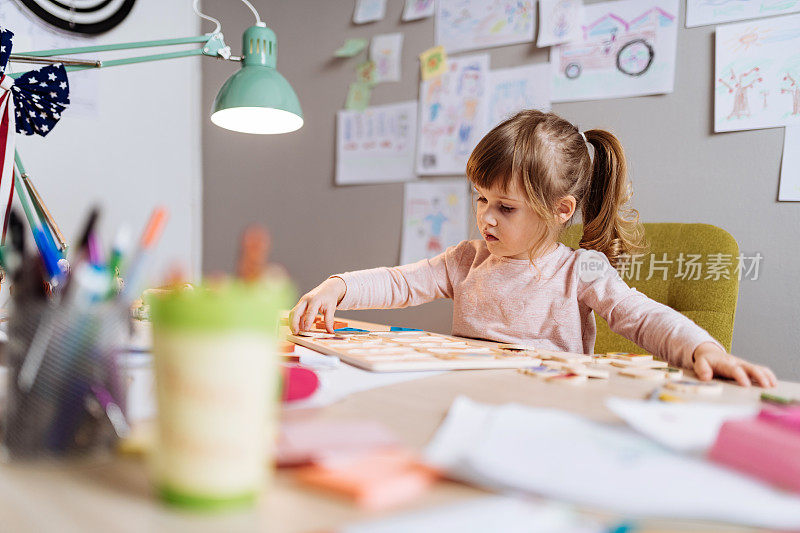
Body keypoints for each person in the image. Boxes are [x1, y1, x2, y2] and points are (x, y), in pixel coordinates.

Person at [290, 110, 776, 388]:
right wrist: (340, 286)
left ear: (561, 211)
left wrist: (702, 348)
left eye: (506, 206)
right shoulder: (467, 258)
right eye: (481, 198)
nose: (486, 217)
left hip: (548, 400)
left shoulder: (581, 270)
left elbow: (642, 316)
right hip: (468, 393)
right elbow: (401, 281)